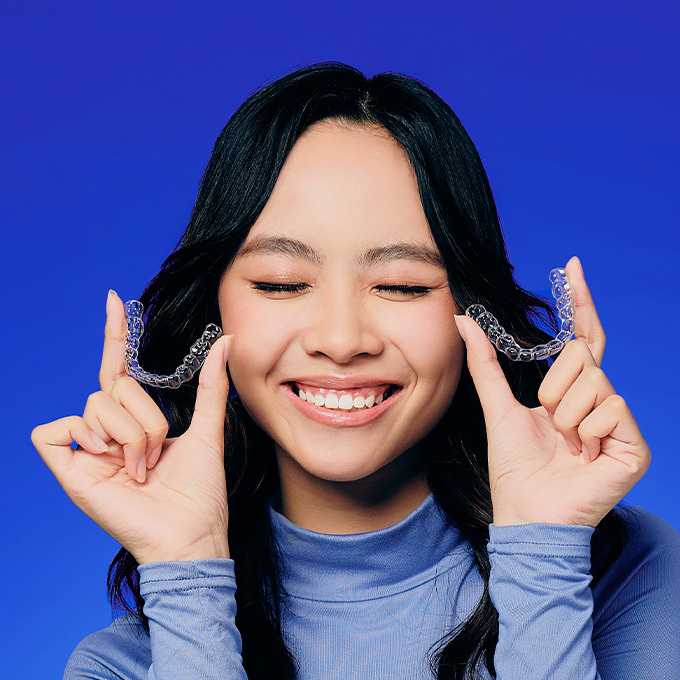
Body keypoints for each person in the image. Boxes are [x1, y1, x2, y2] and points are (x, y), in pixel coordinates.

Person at [31, 62, 680, 680]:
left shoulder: (629, 573)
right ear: (213, 310)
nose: (341, 340)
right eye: (282, 283)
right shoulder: (125, 665)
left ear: (473, 311)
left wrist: (541, 553)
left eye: (400, 285)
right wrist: (188, 569)